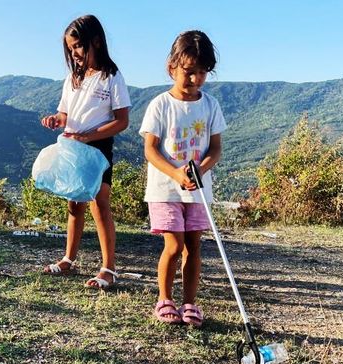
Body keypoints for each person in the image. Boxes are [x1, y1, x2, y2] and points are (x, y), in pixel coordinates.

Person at [139, 30, 226, 325]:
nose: (196, 79)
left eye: (203, 72)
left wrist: (200, 170)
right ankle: (165, 298)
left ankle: (190, 303)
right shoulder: (160, 105)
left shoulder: (210, 105)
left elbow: (215, 149)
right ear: (172, 67)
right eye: (189, 72)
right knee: (173, 246)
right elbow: (150, 150)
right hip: (165, 189)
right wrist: (176, 172)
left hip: (198, 190)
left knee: (194, 247)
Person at [41, 15, 131, 289]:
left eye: (78, 46)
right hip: (72, 145)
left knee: (100, 205)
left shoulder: (112, 77)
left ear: (96, 41)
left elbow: (122, 120)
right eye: (71, 48)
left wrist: (90, 135)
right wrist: (56, 120)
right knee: (74, 204)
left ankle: (108, 268)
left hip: (98, 147)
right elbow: (65, 113)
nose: (75, 53)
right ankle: (69, 258)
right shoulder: (73, 79)